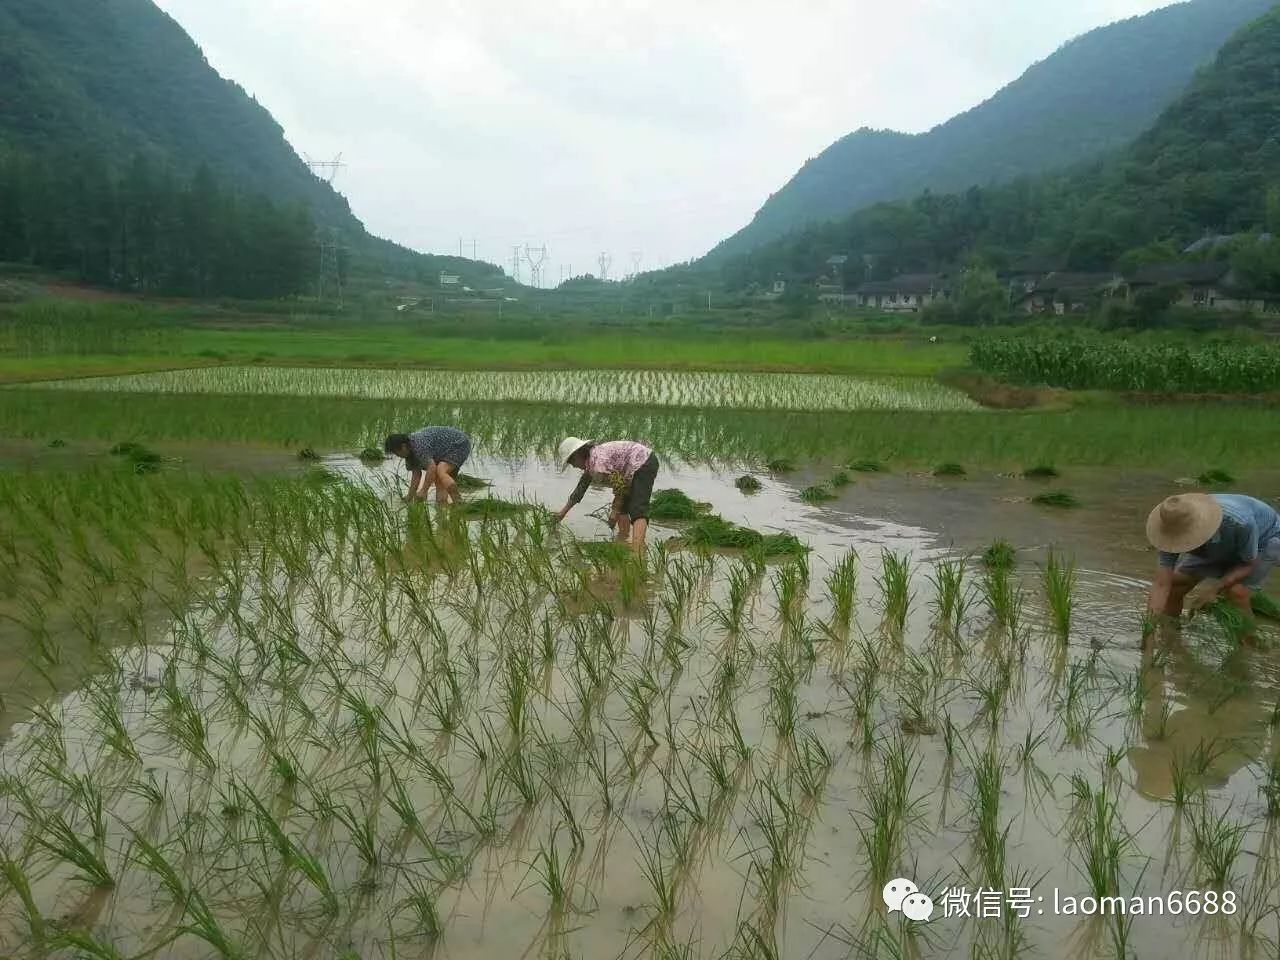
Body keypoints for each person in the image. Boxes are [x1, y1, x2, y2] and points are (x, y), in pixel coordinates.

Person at [1145, 493, 1280, 633]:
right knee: (1176, 584)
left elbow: (1249, 564)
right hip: (1216, 543)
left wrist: (1214, 590)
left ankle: (1250, 641)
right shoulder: (1170, 529)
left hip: (1263, 540)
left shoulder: (1239, 522)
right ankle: (1171, 634)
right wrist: (1148, 636)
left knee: (1236, 592)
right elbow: (1161, 584)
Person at [553, 437, 658, 552]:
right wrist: (562, 513)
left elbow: (620, 486)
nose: (573, 466)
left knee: (638, 508)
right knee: (623, 508)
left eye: (572, 461)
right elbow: (579, 490)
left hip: (643, 461)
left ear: (578, 454)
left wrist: (614, 510)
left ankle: (638, 550)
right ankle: (623, 539)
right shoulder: (591, 462)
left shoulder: (598, 464)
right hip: (629, 470)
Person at [384, 426, 472, 505]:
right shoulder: (409, 453)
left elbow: (432, 468)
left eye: (396, 452)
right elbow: (416, 475)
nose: (397, 456)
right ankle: (442, 507)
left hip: (459, 443)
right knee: (439, 479)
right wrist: (410, 496)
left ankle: (458, 501)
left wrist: (424, 490)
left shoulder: (418, 446)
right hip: (444, 450)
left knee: (441, 470)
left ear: (403, 446)